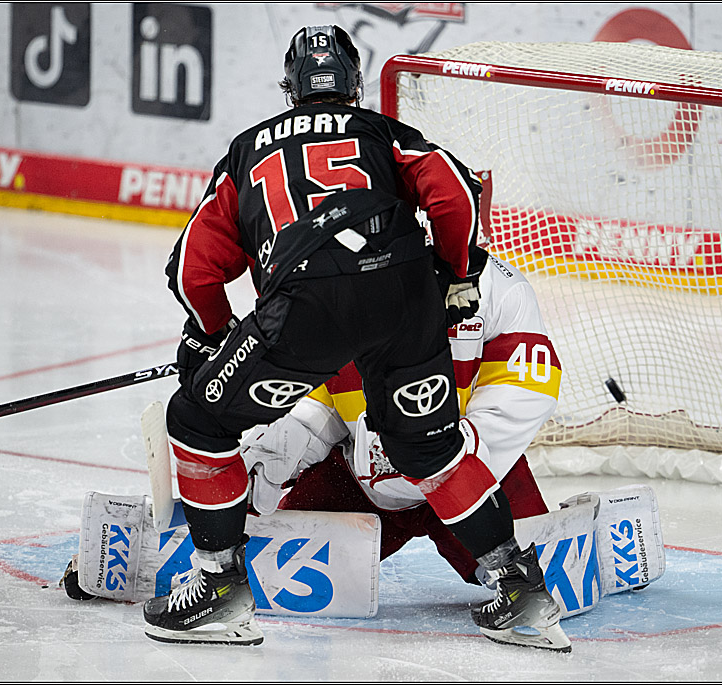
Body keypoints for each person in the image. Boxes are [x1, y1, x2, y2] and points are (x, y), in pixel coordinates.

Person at [146, 24, 570, 652]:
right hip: (405, 293)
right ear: (355, 84)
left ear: (290, 89)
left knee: (197, 423)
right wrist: (456, 274)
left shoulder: (247, 150)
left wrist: (210, 337)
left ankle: (218, 592)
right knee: (431, 448)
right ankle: (523, 592)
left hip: (310, 303)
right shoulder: (383, 132)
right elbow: (454, 192)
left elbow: (191, 269)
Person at [242, 249, 561, 590]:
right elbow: (323, 386)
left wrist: (454, 457)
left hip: (477, 471)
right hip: (359, 483)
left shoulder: (500, 289)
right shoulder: (331, 279)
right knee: (264, 573)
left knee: (549, 579)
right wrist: (296, 430)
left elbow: (529, 385)